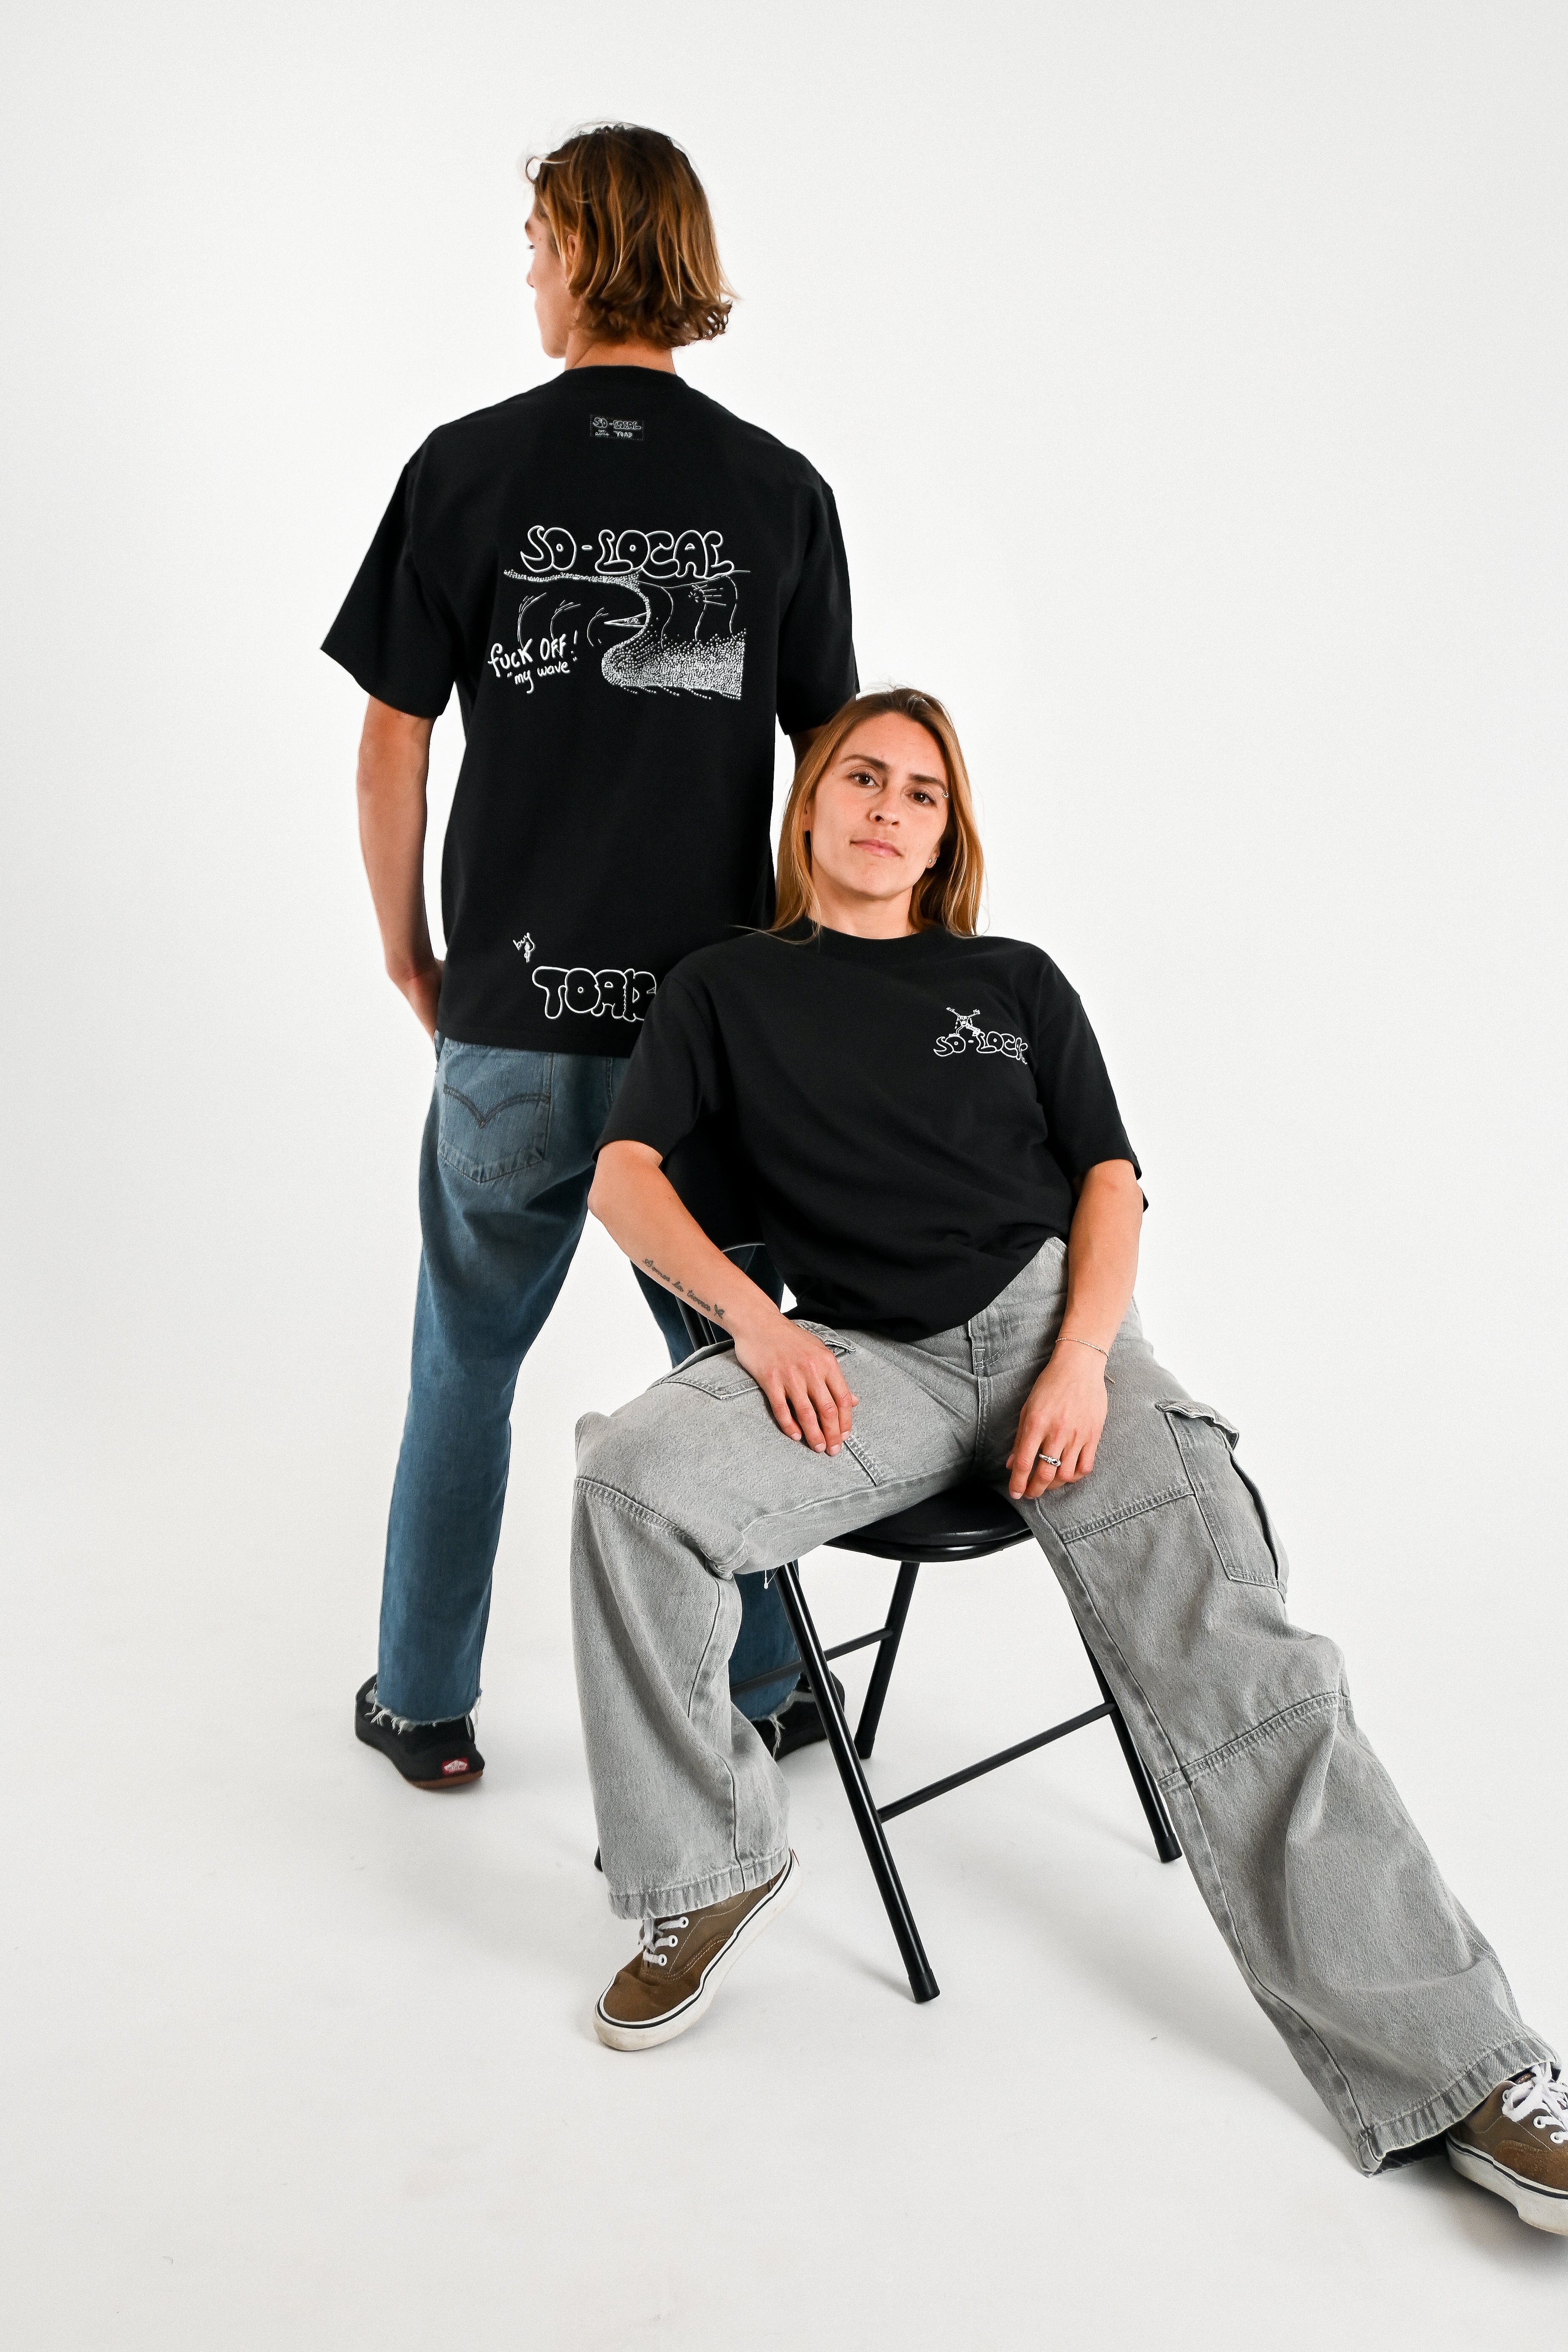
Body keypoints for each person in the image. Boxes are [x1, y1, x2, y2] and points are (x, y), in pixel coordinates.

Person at [570, 685, 1565, 2235]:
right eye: (863, 778)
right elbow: (624, 1180)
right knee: (631, 1474)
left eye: (924, 791)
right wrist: (749, 1329)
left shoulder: (1014, 978)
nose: (892, 808)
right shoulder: (724, 987)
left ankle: (1473, 2074)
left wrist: (1088, 1360)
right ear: (813, 803)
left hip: (1057, 1340)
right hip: (861, 1365)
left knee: (1244, 1661)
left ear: (947, 832)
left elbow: (1110, 1180)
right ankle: (702, 1870)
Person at [322, 124, 856, 1787]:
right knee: (734, 1357)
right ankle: (773, 1691)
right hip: (703, 1039)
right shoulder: (775, 491)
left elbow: (391, 747)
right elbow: (839, 778)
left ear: (584, 249)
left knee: (462, 1361)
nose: (530, 270)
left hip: (510, 1009)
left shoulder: (466, 468)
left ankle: (425, 1704)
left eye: (538, 238)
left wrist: (415, 953)